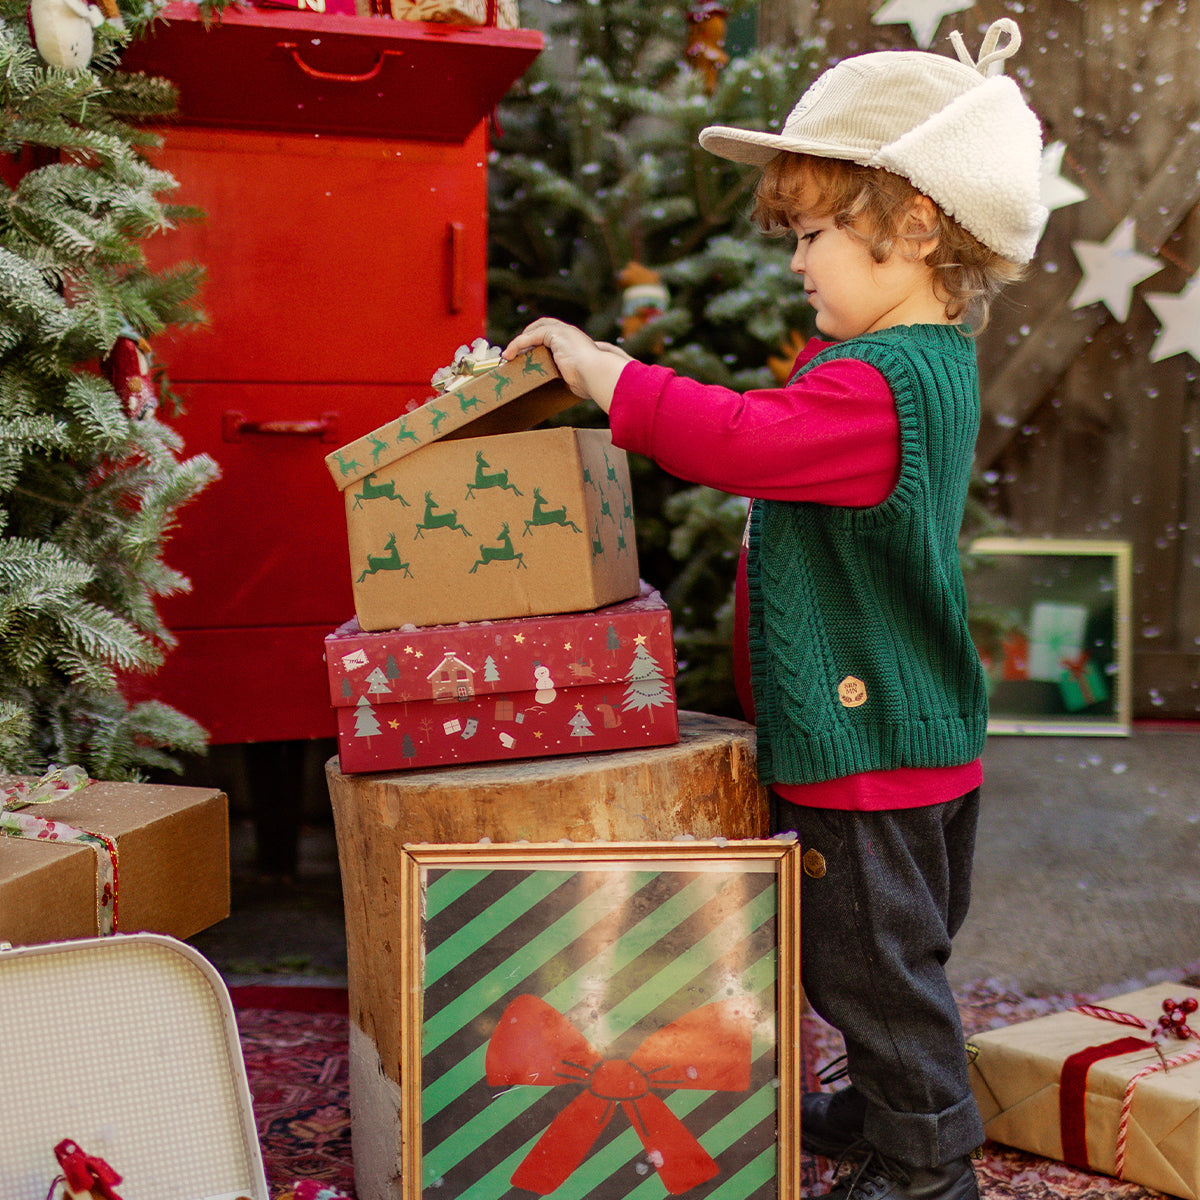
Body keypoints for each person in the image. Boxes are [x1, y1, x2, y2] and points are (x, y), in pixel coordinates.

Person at [503, 18, 1045, 1200]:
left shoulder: (877, 386)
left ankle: (925, 1162)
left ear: (913, 229)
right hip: (914, 727)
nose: (797, 263)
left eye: (815, 236)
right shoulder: (921, 362)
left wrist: (606, 370)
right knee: (891, 957)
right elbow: (785, 430)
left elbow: (741, 440)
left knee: (869, 967)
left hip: (864, 741)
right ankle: (892, 1103)